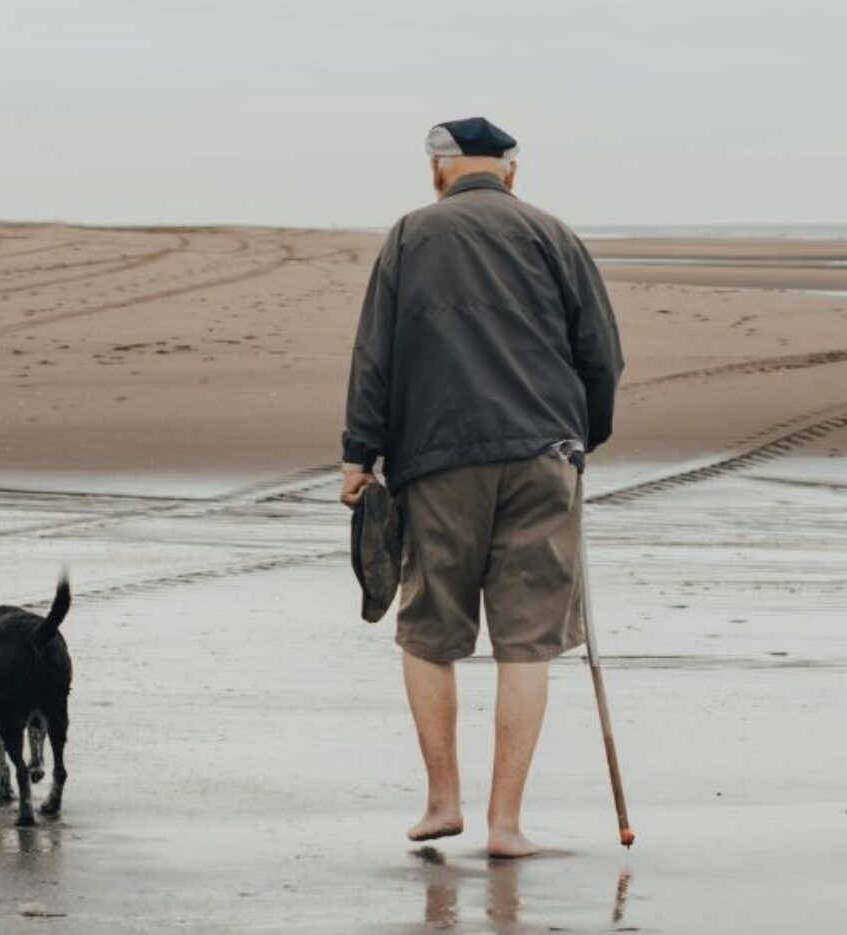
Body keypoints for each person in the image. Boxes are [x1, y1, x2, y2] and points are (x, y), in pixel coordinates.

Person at [339, 117, 624, 857]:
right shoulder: (552, 234)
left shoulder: (410, 235)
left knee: (430, 628)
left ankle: (441, 802)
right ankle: (505, 825)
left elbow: (376, 353)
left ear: (438, 168)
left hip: (439, 459)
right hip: (543, 454)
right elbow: (602, 353)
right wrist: (583, 438)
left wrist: (357, 453)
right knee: (526, 640)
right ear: (511, 172)